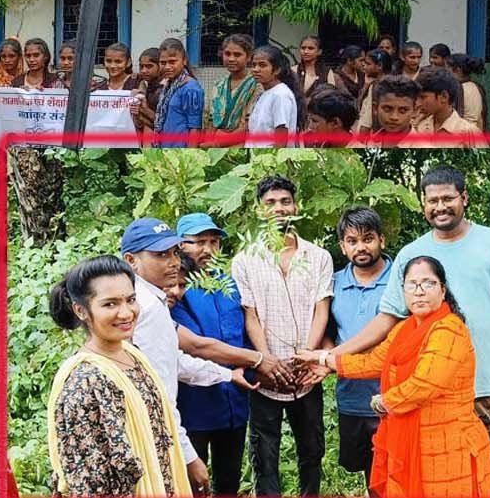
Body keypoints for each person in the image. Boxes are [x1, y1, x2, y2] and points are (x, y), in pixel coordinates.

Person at [334, 166, 490, 497]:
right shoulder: (412, 255)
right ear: (423, 204)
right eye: (432, 200)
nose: (440, 206)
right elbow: (388, 320)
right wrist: (331, 357)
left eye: (447, 198)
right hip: (430, 400)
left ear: (464, 198)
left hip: (489, 387)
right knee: (437, 482)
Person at [298, 257, 490, 497]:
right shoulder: (405, 328)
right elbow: (374, 361)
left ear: (442, 290)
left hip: (449, 444)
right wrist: (324, 360)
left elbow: (425, 384)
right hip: (412, 441)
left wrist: (385, 402)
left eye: (428, 283)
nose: (419, 291)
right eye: (412, 284)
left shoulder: (449, 329)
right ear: (403, 292)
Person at [44, 255, 194, 497]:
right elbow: (88, 480)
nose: (126, 313)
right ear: (81, 310)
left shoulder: (133, 357)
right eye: (110, 304)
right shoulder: (85, 381)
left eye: (131, 300)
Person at [119, 217, 245, 495]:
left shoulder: (150, 299)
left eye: (174, 252)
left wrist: (227, 374)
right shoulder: (147, 307)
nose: (173, 262)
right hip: (157, 430)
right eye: (161, 255)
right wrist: (189, 456)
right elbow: (159, 392)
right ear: (131, 260)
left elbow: (174, 362)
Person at [231, 176, 333, 497]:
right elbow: (251, 315)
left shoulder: (319, 257)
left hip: (307, 371)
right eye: (270, 203)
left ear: (296, 206)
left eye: (285, 201)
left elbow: (322, 308)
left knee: (312, 449)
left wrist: (309, 355)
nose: (279, 209)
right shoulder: (245, 260)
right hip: (266, 374)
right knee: (265, 454)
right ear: (260, 211)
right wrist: (265, 361)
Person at [169, 214, 261, 498]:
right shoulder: (175, 291)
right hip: (193, 404)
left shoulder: (230, 286)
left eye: (213, 242)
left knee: (228, 481)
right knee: (194, 483)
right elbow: (196, 346)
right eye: (198, 242)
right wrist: (257, 359)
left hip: (233, 401)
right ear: (180, 246)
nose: (207, 249)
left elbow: (244, 331)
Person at [306, 206, 393, 494]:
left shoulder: (400, 280)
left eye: (368, 238)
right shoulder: (335, 283)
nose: (361, 247)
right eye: (352, 241)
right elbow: (329, 331)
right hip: (351, 396)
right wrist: (328, 359)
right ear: (342, 246)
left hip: (393, 395)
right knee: (370, 475)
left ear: (381, 239)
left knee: (397, 472)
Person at [201, 34, 259, 146]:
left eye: (237, 55)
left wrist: (217, 143)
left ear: (249, 57)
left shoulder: (256, 85)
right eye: (227, 54)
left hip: (241, 147)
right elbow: (210, 120)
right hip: (214, 148)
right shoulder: (218, 85)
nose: (231, 59)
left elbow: (249, 125)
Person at [414, 67, 487, 147]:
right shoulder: (419, 126)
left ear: (444, 97)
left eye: (423, 97)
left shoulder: (469, 133)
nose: (418, 103)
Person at [247, 45, 303, 147]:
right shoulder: (266, 93)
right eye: (253, 65)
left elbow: (281, 138)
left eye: (262, 65)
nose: (256, 69)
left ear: (277, 70)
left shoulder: (280, 95)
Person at [152, 38, 202, 148]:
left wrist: (190, 156)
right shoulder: (168, 86)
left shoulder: (191, 88)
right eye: (163, 63)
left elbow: (195, 128)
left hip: (180, 152)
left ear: (184, 61)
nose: (167, 67)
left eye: (172, 62)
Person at [366, 75, 420, 147]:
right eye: (387, 109)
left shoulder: (423, 146)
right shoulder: (368, 143)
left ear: (415, 111)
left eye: (403, 110)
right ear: (375, 108)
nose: (394, 117)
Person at [355, 48, 399, 133]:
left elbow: (367, 119)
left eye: (368, 64)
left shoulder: (377, 86)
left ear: (379, 66)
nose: (364, 66)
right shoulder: (394, 82)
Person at [449, 53, 487, 129]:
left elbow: (457, 117)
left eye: (447, 70)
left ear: (457, 70)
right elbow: (482, 116)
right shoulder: (477, 87)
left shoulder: (458, 89)